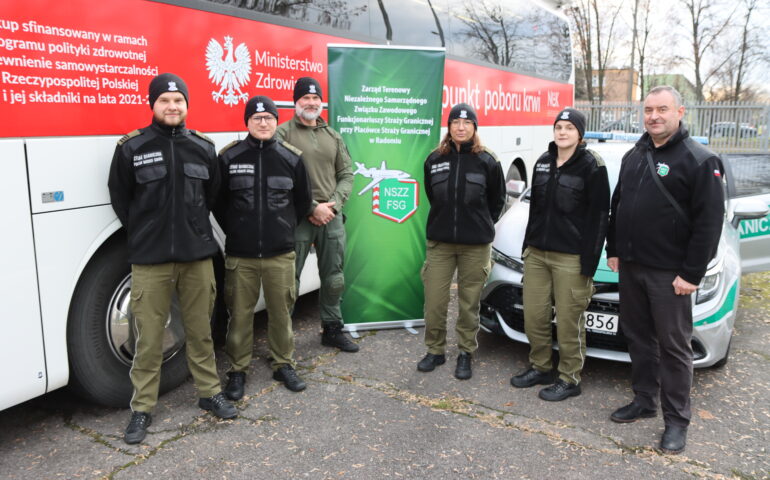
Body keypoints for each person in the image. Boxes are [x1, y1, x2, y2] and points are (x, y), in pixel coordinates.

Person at [108, 73, 237, 445]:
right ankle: (142, 408)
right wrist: (147, 232)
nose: (172, 106)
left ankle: (209, 393)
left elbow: (211, 195)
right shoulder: (132, 147)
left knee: (200, 331)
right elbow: (121, 197)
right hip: (151, 260)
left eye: (178, 100)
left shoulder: (203, 147)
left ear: (186, 105)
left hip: (197, 257)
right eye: (164, 100)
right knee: (148, 338)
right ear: (152, 104)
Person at [606, 85, 724, 454]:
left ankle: (676, 421)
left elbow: (709, 224)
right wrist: (614, 248)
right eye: (648, 110)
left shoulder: (700, 160)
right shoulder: (635, 154)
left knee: (674, 348)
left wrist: (691, 274)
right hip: (632, 267)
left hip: (670, 275)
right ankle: (644, 401)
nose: (654, 116)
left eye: (662, 109)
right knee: (638, 338)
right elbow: (619, 203)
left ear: (680, 112)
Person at [214, 96, 313, 397]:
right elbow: (217, 202)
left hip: (279, 253)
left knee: (281, 313)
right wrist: (237, 230)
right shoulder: (229, 157)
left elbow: (302, 202)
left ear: (275, 121)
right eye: (256, 118)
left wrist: (281, 228)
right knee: (239, 315)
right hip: (241, 255)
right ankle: (237, 370)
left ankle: (283, 364)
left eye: (268, 117)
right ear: (247, 122)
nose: (263, 122)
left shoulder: (291, 158)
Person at [510, 108, 610, 401]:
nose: (562, 132)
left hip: (571, 258)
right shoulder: (543, 161)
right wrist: (527, 247)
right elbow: (535, 210)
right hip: (537, 254)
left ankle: (569, 378)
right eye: (558, 127)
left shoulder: (592, 166)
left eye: (569, 127)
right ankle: (540, 367)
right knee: (534, 316)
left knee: (569, 322)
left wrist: (589, 263)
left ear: (580, 134)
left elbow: (600, 217)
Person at [418, 103, 505, 380]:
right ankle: (435, 350)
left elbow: (497, 200)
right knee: (435, 302)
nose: (461, 127)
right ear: (449, 126)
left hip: (475, 246)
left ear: (474, 127)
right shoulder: (434, 159)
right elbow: (432, 195)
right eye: (455, 122)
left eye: (467, 123)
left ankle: (466, 352)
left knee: (469, 303)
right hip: (440, 244)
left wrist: (479, 225)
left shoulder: (488, 161)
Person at [276, 77, 358, 352]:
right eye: (305, 98)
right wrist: (311, 207)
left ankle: (332, 329)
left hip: (331, 216)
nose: (311, 103)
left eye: (315, 98)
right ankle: (282, 341)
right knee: (289, 281)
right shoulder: (282, 134)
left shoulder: (332, 136)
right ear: (296, 102)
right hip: (298, 217)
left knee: (334, 277)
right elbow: (280, 177)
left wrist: (332, 205)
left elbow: (346, 174)